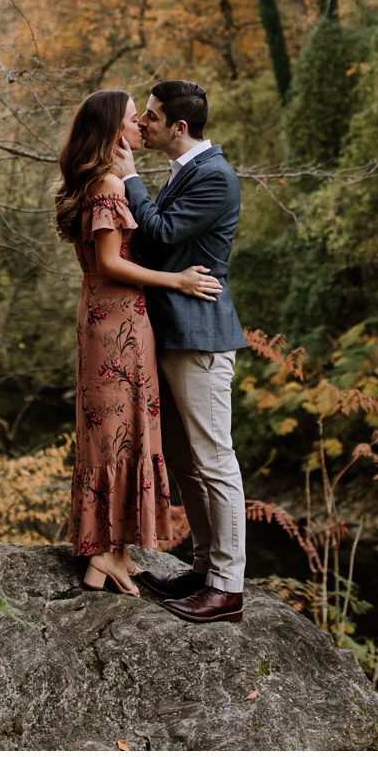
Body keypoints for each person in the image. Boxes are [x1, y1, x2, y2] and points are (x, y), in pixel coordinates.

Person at [54, 89, 223, 595]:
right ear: (113, 131)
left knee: (121, 432)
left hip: (109, 317)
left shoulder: (100, 180)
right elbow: (111, 262)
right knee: (117, 434)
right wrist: (178, 281)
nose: (140, 126)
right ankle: (102, 553)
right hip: (118, 323)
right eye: (133, 119)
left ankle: (116, 550)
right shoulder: (108, 185)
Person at [112, 78, 248, 624]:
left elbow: (163, 233)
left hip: (202, 335)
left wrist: (129, 179)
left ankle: (228, 588)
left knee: (214, 460)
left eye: (151, 116)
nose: (142, 124)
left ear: (179, 126)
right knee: (187, 460)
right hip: (172, 333)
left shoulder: (215, 176)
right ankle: (204, 568)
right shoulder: (184, 170)